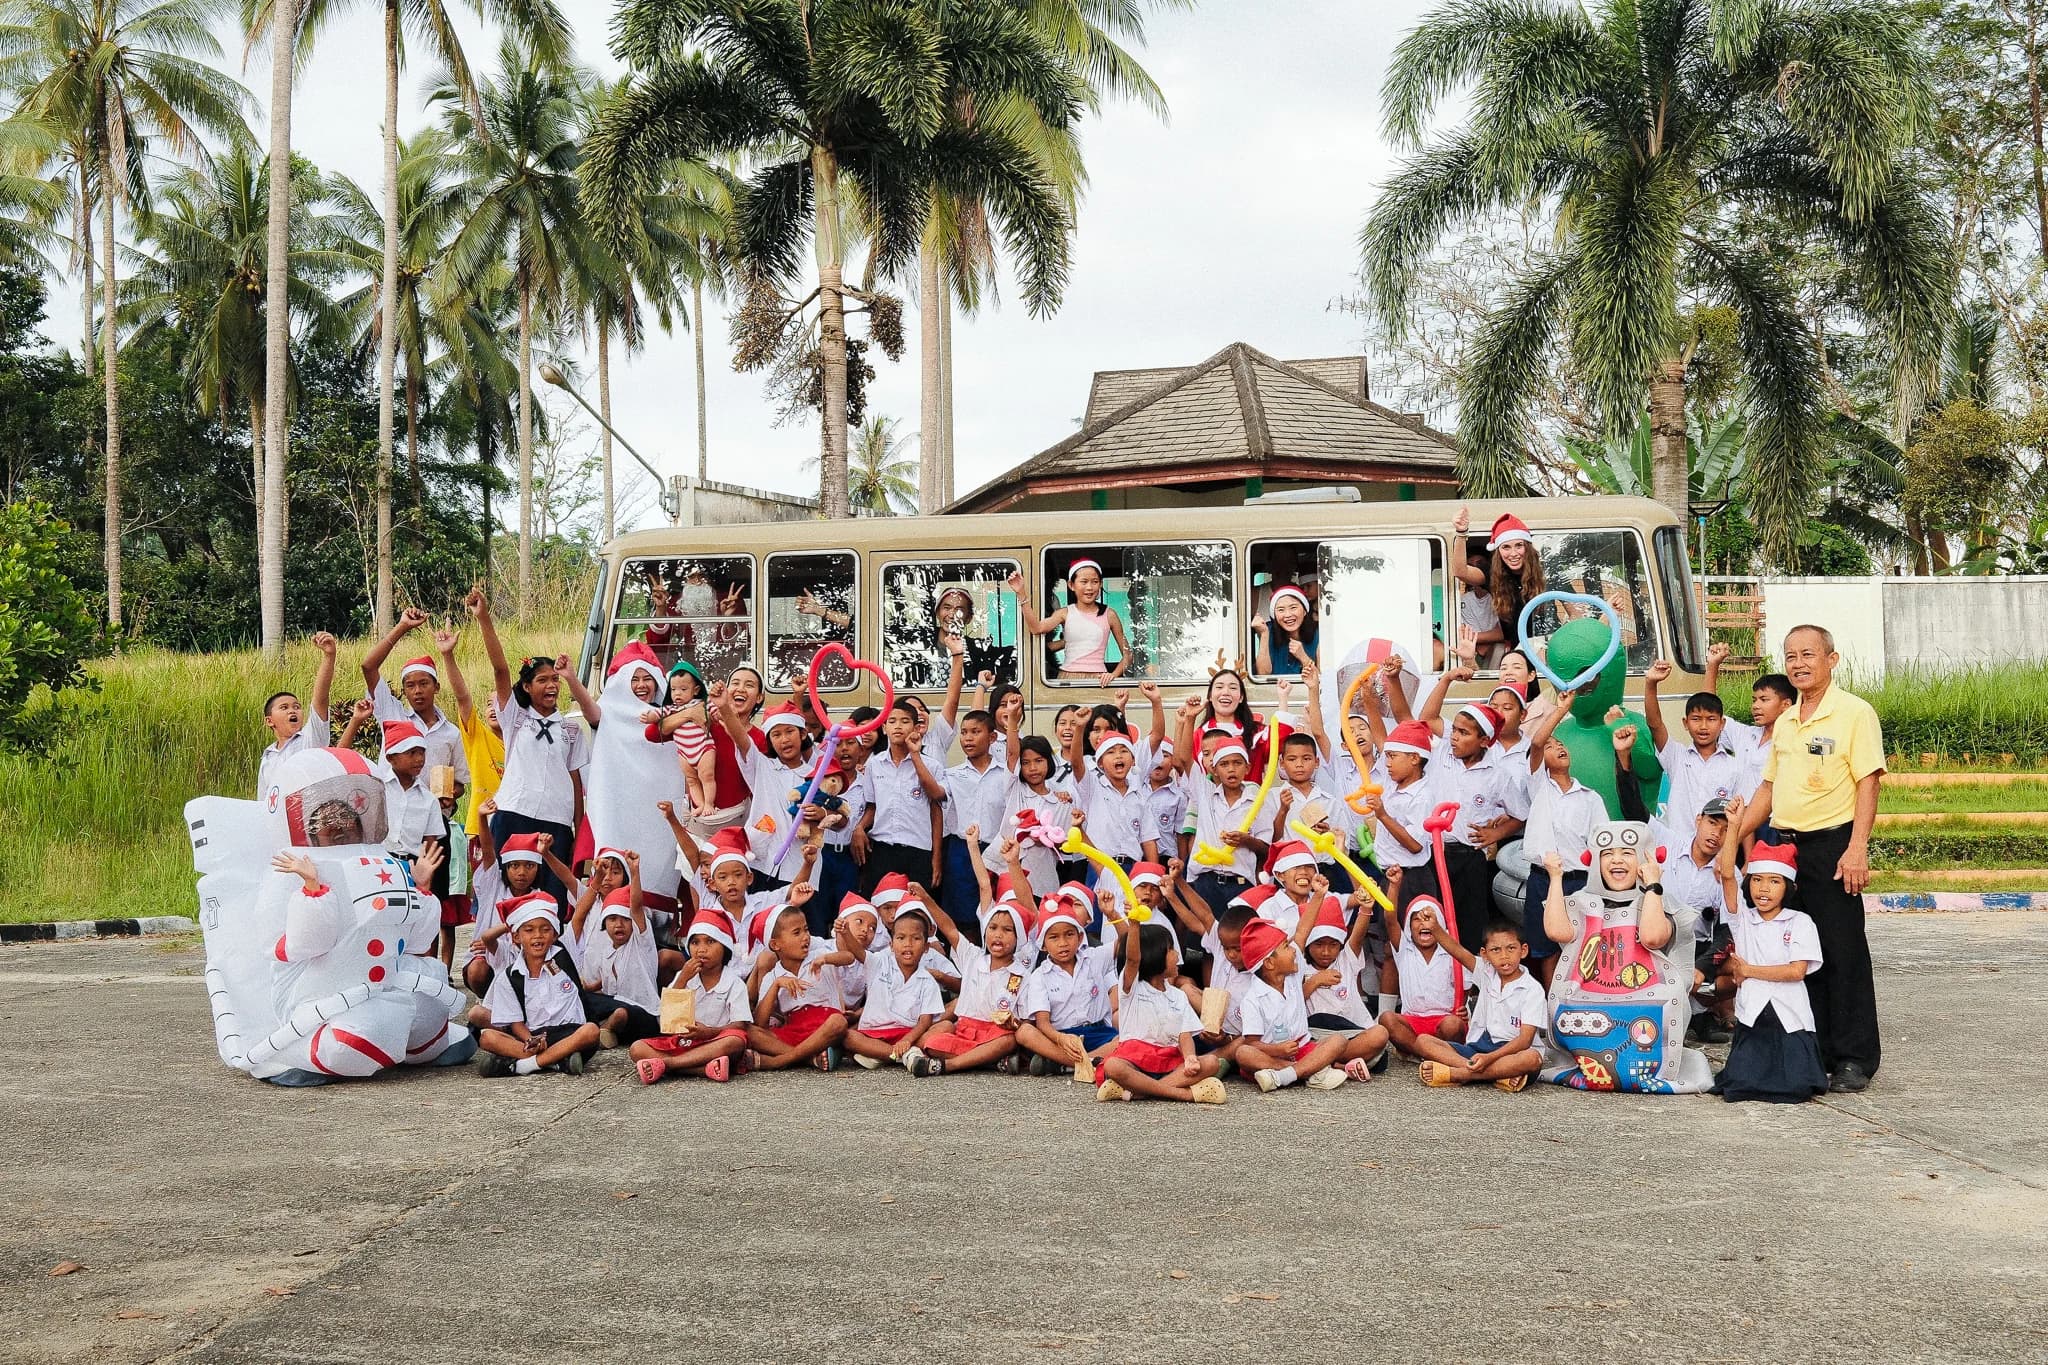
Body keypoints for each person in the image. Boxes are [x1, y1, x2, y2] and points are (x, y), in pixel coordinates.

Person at [1734, 624, 1885, 1093]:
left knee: (1841, 952)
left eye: (1808, 654)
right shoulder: (1785, 720)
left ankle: (1854, 1058)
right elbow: (1769, 787)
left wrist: (1857, 846)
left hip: (1833, 845)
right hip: (1786, 846)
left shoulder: (1855, 713)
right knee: (1793, 949)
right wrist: (1734, 837)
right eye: (1790, 656)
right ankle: (1811, 1050)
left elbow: (1869, 781)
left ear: (1831, 659)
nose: (1798, 663)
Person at [471, 594, 587, 900]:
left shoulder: (571, 727)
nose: (551, 686)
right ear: (526, 686)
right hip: (514, 812)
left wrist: (577, 830)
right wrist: (484, 618)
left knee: (552, 898)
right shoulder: (516, 718)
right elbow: (500, 670)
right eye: (542, 680)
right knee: (505, 892)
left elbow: (575, 781)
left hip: (556, 820)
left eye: (554, 680)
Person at [1712, 840, 1828, 1103]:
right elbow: (1727, 873)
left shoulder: (1800, 922)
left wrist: (1748, 970)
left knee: (1796, 1087)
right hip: (1754, 1012)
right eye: (1757, 880)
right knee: (1740, 1084)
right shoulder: (1742, 919)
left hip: (1789, 1012)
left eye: (1775, 881)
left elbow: (1796, 971)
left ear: (1790, 887)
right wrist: (1735, 825)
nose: (1763, 889)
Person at [1418, 676, 1527, 949]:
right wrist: (1446, 680)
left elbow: (1520, 814)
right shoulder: (1443, 753)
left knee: (1469, 923)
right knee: (1432, 920)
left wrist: (1495, 833)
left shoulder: (1497, 774)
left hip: (1469, 859)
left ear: (1484, 741)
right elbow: (1427, 717)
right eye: (1454, 730)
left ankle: (1470, 986)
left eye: (1464, 733)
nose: (1454, 737)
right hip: (1431, 853)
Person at [1513, 690, 1603, 987]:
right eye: (1552, 746)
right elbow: (1537, 741)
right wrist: (1563, 707)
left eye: (1561, 743)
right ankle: (1555, 1011)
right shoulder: (1538, 785)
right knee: (1547, 951)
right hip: (1544, 879)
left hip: (1580, 881)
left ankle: (1583, 1003)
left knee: (1583, 949)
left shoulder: (1591, 798)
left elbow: (1600, 844)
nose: (1557, 747)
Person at [1233, 917, 1376, 1091]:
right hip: (1270, 1058)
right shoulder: (1252, 999)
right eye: (1286, 946)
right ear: (1269, 963)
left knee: (1338, 1041)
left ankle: (1286, 1076)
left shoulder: (1292, 978)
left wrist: (1318, 895)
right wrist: (1278, 1050)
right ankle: (1310, 1071)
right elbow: (1252, 1044)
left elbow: (1302, 932)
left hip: (1302, 1048)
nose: (1293, 951)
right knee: (1243, 1053)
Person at [1094, 917, 1228, 1104]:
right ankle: (1181, 1094)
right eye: (1171, 949)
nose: (1177, 955)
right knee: (1113, 1065)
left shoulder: (1178, 995)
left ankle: (1138, 1092)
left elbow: (1184, 1034)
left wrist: (1190, 1057)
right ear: (1153, 955)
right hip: (1134, 1060)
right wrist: (1134, 925)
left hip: (1168, 1059)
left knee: (1212, 1063)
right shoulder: (1132, 988)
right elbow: (1133, 960)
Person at [903, 875, 1026, 1077]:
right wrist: (925, 898)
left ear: (1018, 937)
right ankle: (990, 1063)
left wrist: (1015, 1023)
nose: (998, 935)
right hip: (964, 1030)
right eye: (993, 928)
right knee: (933, 1042)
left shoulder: (1021, 973)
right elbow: (949, 928)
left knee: (1010, 1040)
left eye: (1007, 930)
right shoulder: (973, 956)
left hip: (996, 1034)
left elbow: (1024, 1021)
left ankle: (948, 1066)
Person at [1411, 921, 1547, 1090]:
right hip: (1481, 1047)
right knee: (1423, 1041)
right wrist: (1435, 928)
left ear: (1523, 950)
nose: (1504, 956)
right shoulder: (1486, 971)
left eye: (1511, 948)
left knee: (1531, 1059)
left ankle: (1460, 1074)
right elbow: (1457, 951)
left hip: (1512, 1051)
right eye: (1495, 950)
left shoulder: (1533, 989)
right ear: (1485, 954)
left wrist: (1489, 1059)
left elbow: (1525, 1041)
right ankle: (1494, 1074)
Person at [476, 896, 601, 1077]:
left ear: (555, 934)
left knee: (591, 1031)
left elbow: (580, 914)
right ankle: (556, 1062)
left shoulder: (564, 956)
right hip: (531, 1037)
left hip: (569, 1034)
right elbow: (516, 1022)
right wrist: (530, 1039)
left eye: (545, 930)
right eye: (529, 930)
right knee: (487, 1037)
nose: (538, 936)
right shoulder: (510, 977)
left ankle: (523, 1065)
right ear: (516, 937)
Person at [629, 909, 756, 1084]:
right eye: (695, 942)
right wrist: (682, 979)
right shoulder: (685, 976)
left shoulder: (734, 983)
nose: (701, 950)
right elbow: (666, 1021)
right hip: (683, 1043)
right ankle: (702, 1069)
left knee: (736, 1041)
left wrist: (709, 1032)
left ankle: (668, 1064)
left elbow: (740, 1025)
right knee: (637, 1048)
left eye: (710, 942)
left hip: (715, 1043)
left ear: (725, 947)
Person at [1170, 697, 1266, 919]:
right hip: (1206, 882)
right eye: (1224, 764)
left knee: (1238, 943)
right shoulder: (1204, 792)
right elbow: (1184, 759)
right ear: (1214, 768)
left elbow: (1265, 848)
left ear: (1247, 767)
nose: (1231, 770)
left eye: (1237, 763)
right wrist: (1191, 719)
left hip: (1241, 884)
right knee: (1207, 946)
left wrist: (1245, 840)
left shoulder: (1258, 799)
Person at [359, 608, 470, 795]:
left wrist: (450, 795)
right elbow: (368, 666)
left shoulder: (452, 733)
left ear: (437, 687)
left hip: (431, 816)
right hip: (392, 814)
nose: (417, 691)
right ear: (404, 691)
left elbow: (459, 784)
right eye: (410, 685)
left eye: (424, 683)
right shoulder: (393, 714)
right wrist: (402, 627)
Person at [1014, 886, 1119, 1076]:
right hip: (1061, 1036)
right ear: (1043, 945)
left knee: (1126, 1040)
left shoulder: (1093, 958)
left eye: (1069, 935)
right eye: (1054, 937)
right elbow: (1043, 1023)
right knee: (1024, 1033)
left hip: (1097, 1033)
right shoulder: (1040, 975)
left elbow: (1127, 941)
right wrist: (1061, 1038)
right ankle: (1090, 1063)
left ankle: (1072, 1065)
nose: (1063, 943)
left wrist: (1112, 914)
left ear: (1080, 937)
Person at [855, 698, 945, 895]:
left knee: (917, 911)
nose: (898, 726)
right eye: (892, 721)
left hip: (918, 850)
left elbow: (936, 808)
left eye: (905, 721)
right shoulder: (875, 764)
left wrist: (936, 857)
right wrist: (860, 828)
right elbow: (872, 806)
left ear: (916, 727)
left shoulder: (931, 766)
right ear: (884, 728)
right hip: (881, 849)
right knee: (881, 907)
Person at [1642, 659, 1743, 834]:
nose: (1703, 726)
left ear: (1722, 724)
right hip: (1677, 847)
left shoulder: (1734, 767)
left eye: (1711, 719)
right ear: (1685, 723)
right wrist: (1651, 683)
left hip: (1716, 850)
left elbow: (1740, 815)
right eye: (1696, 719)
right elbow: (1655, 724)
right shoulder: (1676, 756)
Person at [1377, 888, 1479, 1058]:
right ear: (1409, 927)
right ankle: (1428, 1053)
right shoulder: (1404, 948)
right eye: (1416, 919)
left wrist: (1462, 1007)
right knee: (1387, 1019)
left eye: (1429, 919)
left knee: (1453, 1025)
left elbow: (1466, 987)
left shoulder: (1452, 951)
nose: (1423, 923)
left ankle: (1420, 1052)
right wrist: (1395, 885)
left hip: (1443, 1020)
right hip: (1413, 1021)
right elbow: (1390, 920)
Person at [749, 900, 848, 1072]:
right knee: (749, 1032)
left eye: (806, 929)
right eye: (797, 932)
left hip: (824, 1025)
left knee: (838, 1022)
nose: (805, 936)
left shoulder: (818, 955)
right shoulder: (773, 975)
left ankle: (779, 1061)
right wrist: (776, 985)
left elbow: (848, 957)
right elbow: (760, 1023)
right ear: (775, 945)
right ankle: (810, 1058)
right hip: (794, 1030)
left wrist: (827, 959)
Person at [938, 710, 1009, 930]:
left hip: (996, 849)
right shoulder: (952, 774)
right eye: (964, 732)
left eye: (976, 732)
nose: (968, 738)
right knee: (963, 916)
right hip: (961, 852)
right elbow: (937, 798)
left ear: (992, 737)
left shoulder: (1006, 774)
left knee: (999, 915)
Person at [1449, 505, 1548, 650]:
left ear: (1527, 547)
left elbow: (1573, 611)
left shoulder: (1545, 571)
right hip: (1518, 652)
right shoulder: (1493, 575)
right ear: (1498, 551)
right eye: (1506, 547)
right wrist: (1461, 533)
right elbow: (1460, 571)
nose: (1513, 553)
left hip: (1548, 648)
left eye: (1519, 545)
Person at [1010, 562, 1130, 682]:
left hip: (1099, 681)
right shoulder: (1064, 613)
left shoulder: (1109, 614)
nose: (1089, 587)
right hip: (1067, 680)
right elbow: (1036, 628)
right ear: (1071, 585)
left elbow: (1128, 655)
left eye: (1095, 582)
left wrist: (1113, 675)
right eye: (1084, 582)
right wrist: (1021, 594)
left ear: (1100, 584)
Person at [257, 631, 338, 799]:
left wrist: (329, 656)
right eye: (284, 708)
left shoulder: (310, 739)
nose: (292, 710)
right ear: (269, 721)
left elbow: (320, 699)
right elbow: (264, 803)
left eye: (296, 706)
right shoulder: (268, 757)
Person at [1251, 585, 1319, 677]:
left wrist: (1303, 658)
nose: (1287, 615)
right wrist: (1264, 634)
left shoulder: (1318, 634)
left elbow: (1322, 680)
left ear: (1304, 611)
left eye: (1293, 608)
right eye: (1281, 610)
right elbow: (1263, 674)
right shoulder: (1269, 630)